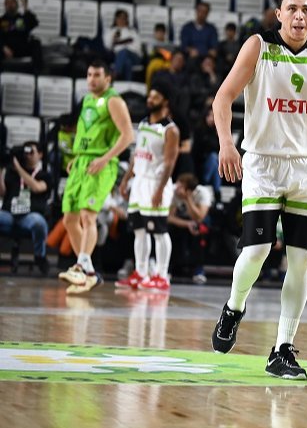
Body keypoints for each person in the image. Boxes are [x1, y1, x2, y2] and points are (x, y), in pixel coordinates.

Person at [210, 0, 307, 379]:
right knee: (257, 250)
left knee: (301, 260)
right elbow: (223, 97)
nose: (299, 15)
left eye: (305, 9)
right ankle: (234, 307)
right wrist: (226, 143)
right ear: (278, 14)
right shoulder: (259, 47)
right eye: (291, 8)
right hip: (263, 162)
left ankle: (282, 347)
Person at [58, 60, 135, 293]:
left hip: (101, 164)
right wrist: (77, 157)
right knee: (69, 219)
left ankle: (81, 267)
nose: (91, 79)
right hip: (82, 161)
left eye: (97, 75)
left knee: (88, 216)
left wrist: (104, 158)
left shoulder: (113, 100)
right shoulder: (87, 100)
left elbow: (128, 136)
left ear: (107, 78)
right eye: (89, 74)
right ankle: (88, 272)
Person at [116, 81, 179, 291]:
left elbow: (169, 163)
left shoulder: (170, 130)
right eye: (150, 96)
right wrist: (126, 179)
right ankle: (141, 273)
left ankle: (162, 275)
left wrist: (160, 190)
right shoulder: (143, 123)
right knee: (139, 231)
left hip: (156, 183)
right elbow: (136, 155)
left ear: (165, 102)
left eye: (155, 97)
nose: (150, 100)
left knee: (159, 231)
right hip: (139, 182)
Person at [0, 141, 52, 275]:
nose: (27, 155)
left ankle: (40, 256)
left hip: (29, 215)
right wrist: (2, 171)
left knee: (39, 223)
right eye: (25, 152)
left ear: (40, 154)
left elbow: (36, 187)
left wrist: (19, 169)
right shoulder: (11, 172)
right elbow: (2, 193)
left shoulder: (44, 175)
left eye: (31, 152)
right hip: (9, 214)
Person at [168, 172, 213, 283]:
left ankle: (199, 269)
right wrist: (187, 224)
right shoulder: (172, 191)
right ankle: (168, 269)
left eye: (180, 186)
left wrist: (187, 199)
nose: (177, 188)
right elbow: (169, 217)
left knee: (202, 228)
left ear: (189, 190)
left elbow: (200, 217)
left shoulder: (202, 193)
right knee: (168, 229)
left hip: (197, 219)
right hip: (181, 220)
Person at [103, 9, 142, 81]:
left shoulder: (132, 31)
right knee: (127, 62)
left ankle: (115, 74)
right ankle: (128, 84)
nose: (121, 20)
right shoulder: (110, 31)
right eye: (119, 18)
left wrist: (123, 47)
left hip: (134, 56)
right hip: (116, 57)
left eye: (124, 18)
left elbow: (137, 47)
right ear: (115, 19)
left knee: (124, 51)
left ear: (127, 20)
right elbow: (107, 46)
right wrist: (113, 39)